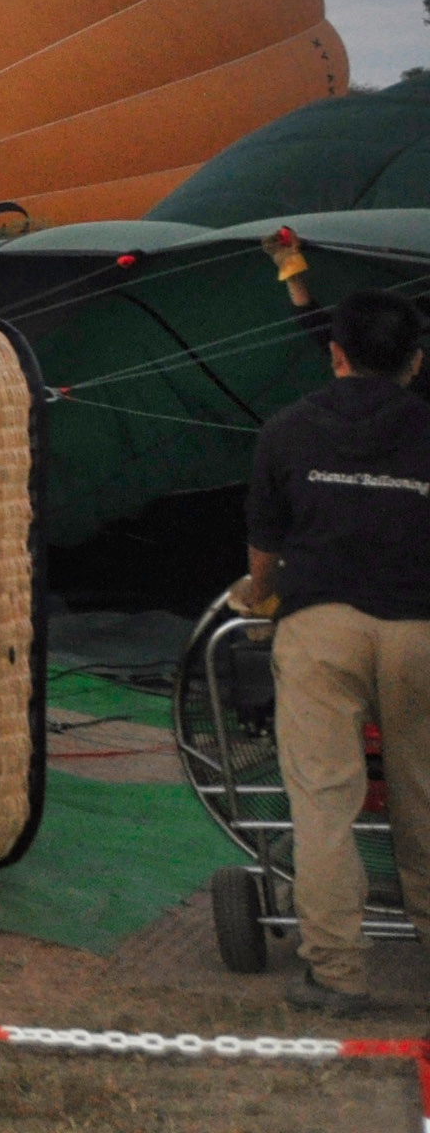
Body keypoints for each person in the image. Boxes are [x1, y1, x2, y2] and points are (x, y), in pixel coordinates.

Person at [227, 283, 430, 1016]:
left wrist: (258, 596)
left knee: (323, 804)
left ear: (336, 354)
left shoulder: (287, 429)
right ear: (415, 360)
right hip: (421, 634)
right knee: (425, 799)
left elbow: (263, 555)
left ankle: (337, 973)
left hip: (321, 630)